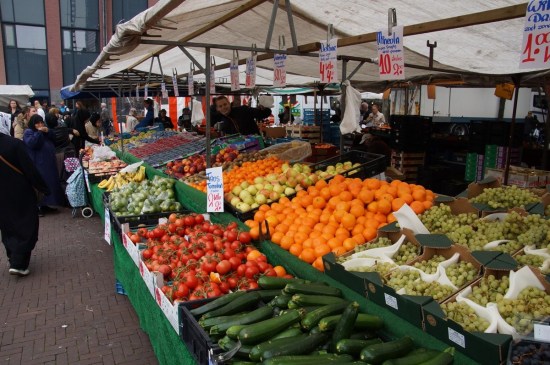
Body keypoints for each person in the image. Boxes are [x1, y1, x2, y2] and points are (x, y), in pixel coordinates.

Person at [0, 132, 50, 276]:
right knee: (26, 224)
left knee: (7, 226)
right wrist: (43, 187)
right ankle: (19, 263)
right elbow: (29, 168)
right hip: (20, 193)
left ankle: (12, 256)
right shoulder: (14, 144)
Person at [23, 114, 65, 215]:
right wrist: (39, 132)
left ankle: (46, 204)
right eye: (37, 123)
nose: (40, 125)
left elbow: (54, 139)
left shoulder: (44, 131)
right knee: (40, 184)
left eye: (41, 122)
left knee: (50, 183)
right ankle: (38, 206)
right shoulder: (28, 132)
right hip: (38, 163)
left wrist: (48, 131)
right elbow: (32, 143)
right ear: (33, 123)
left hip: (48, 162)